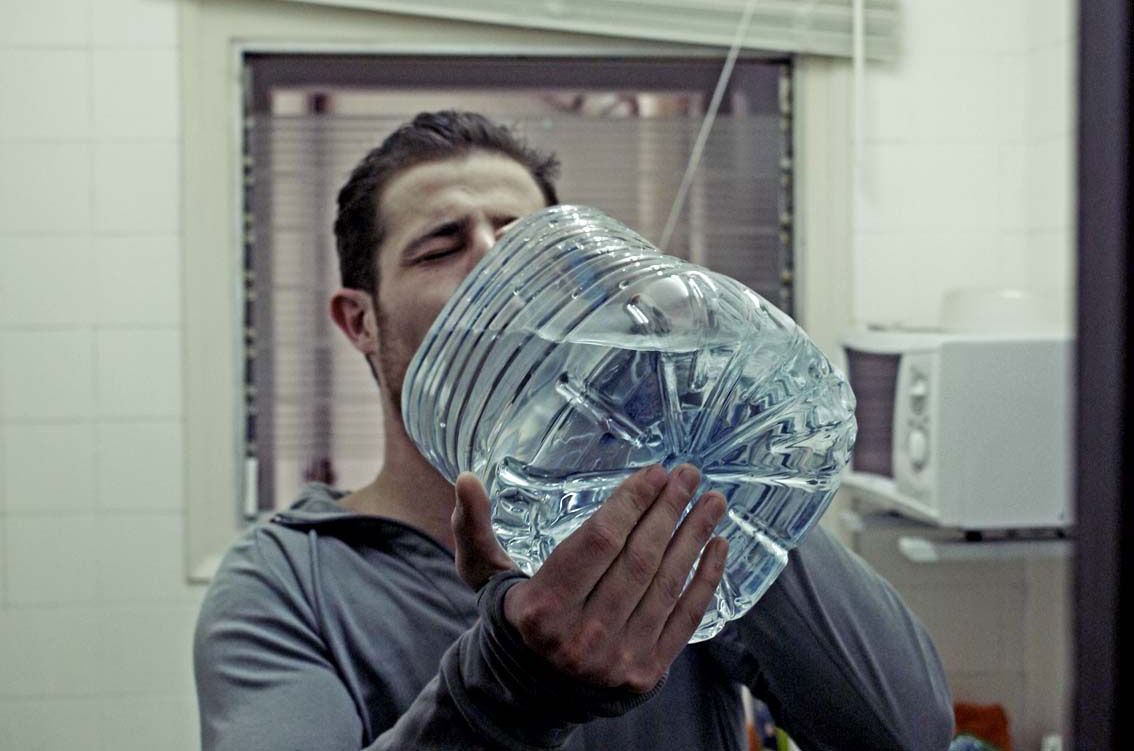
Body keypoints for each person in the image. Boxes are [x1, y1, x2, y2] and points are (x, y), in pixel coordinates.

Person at [194, 110, 955, 750]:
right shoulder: (289, 584)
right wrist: (514, 684)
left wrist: (720, 443)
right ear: (360, 320)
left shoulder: (656, 519)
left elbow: (903, 731)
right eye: (442, 245)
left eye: (520, 239)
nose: (495, 266)